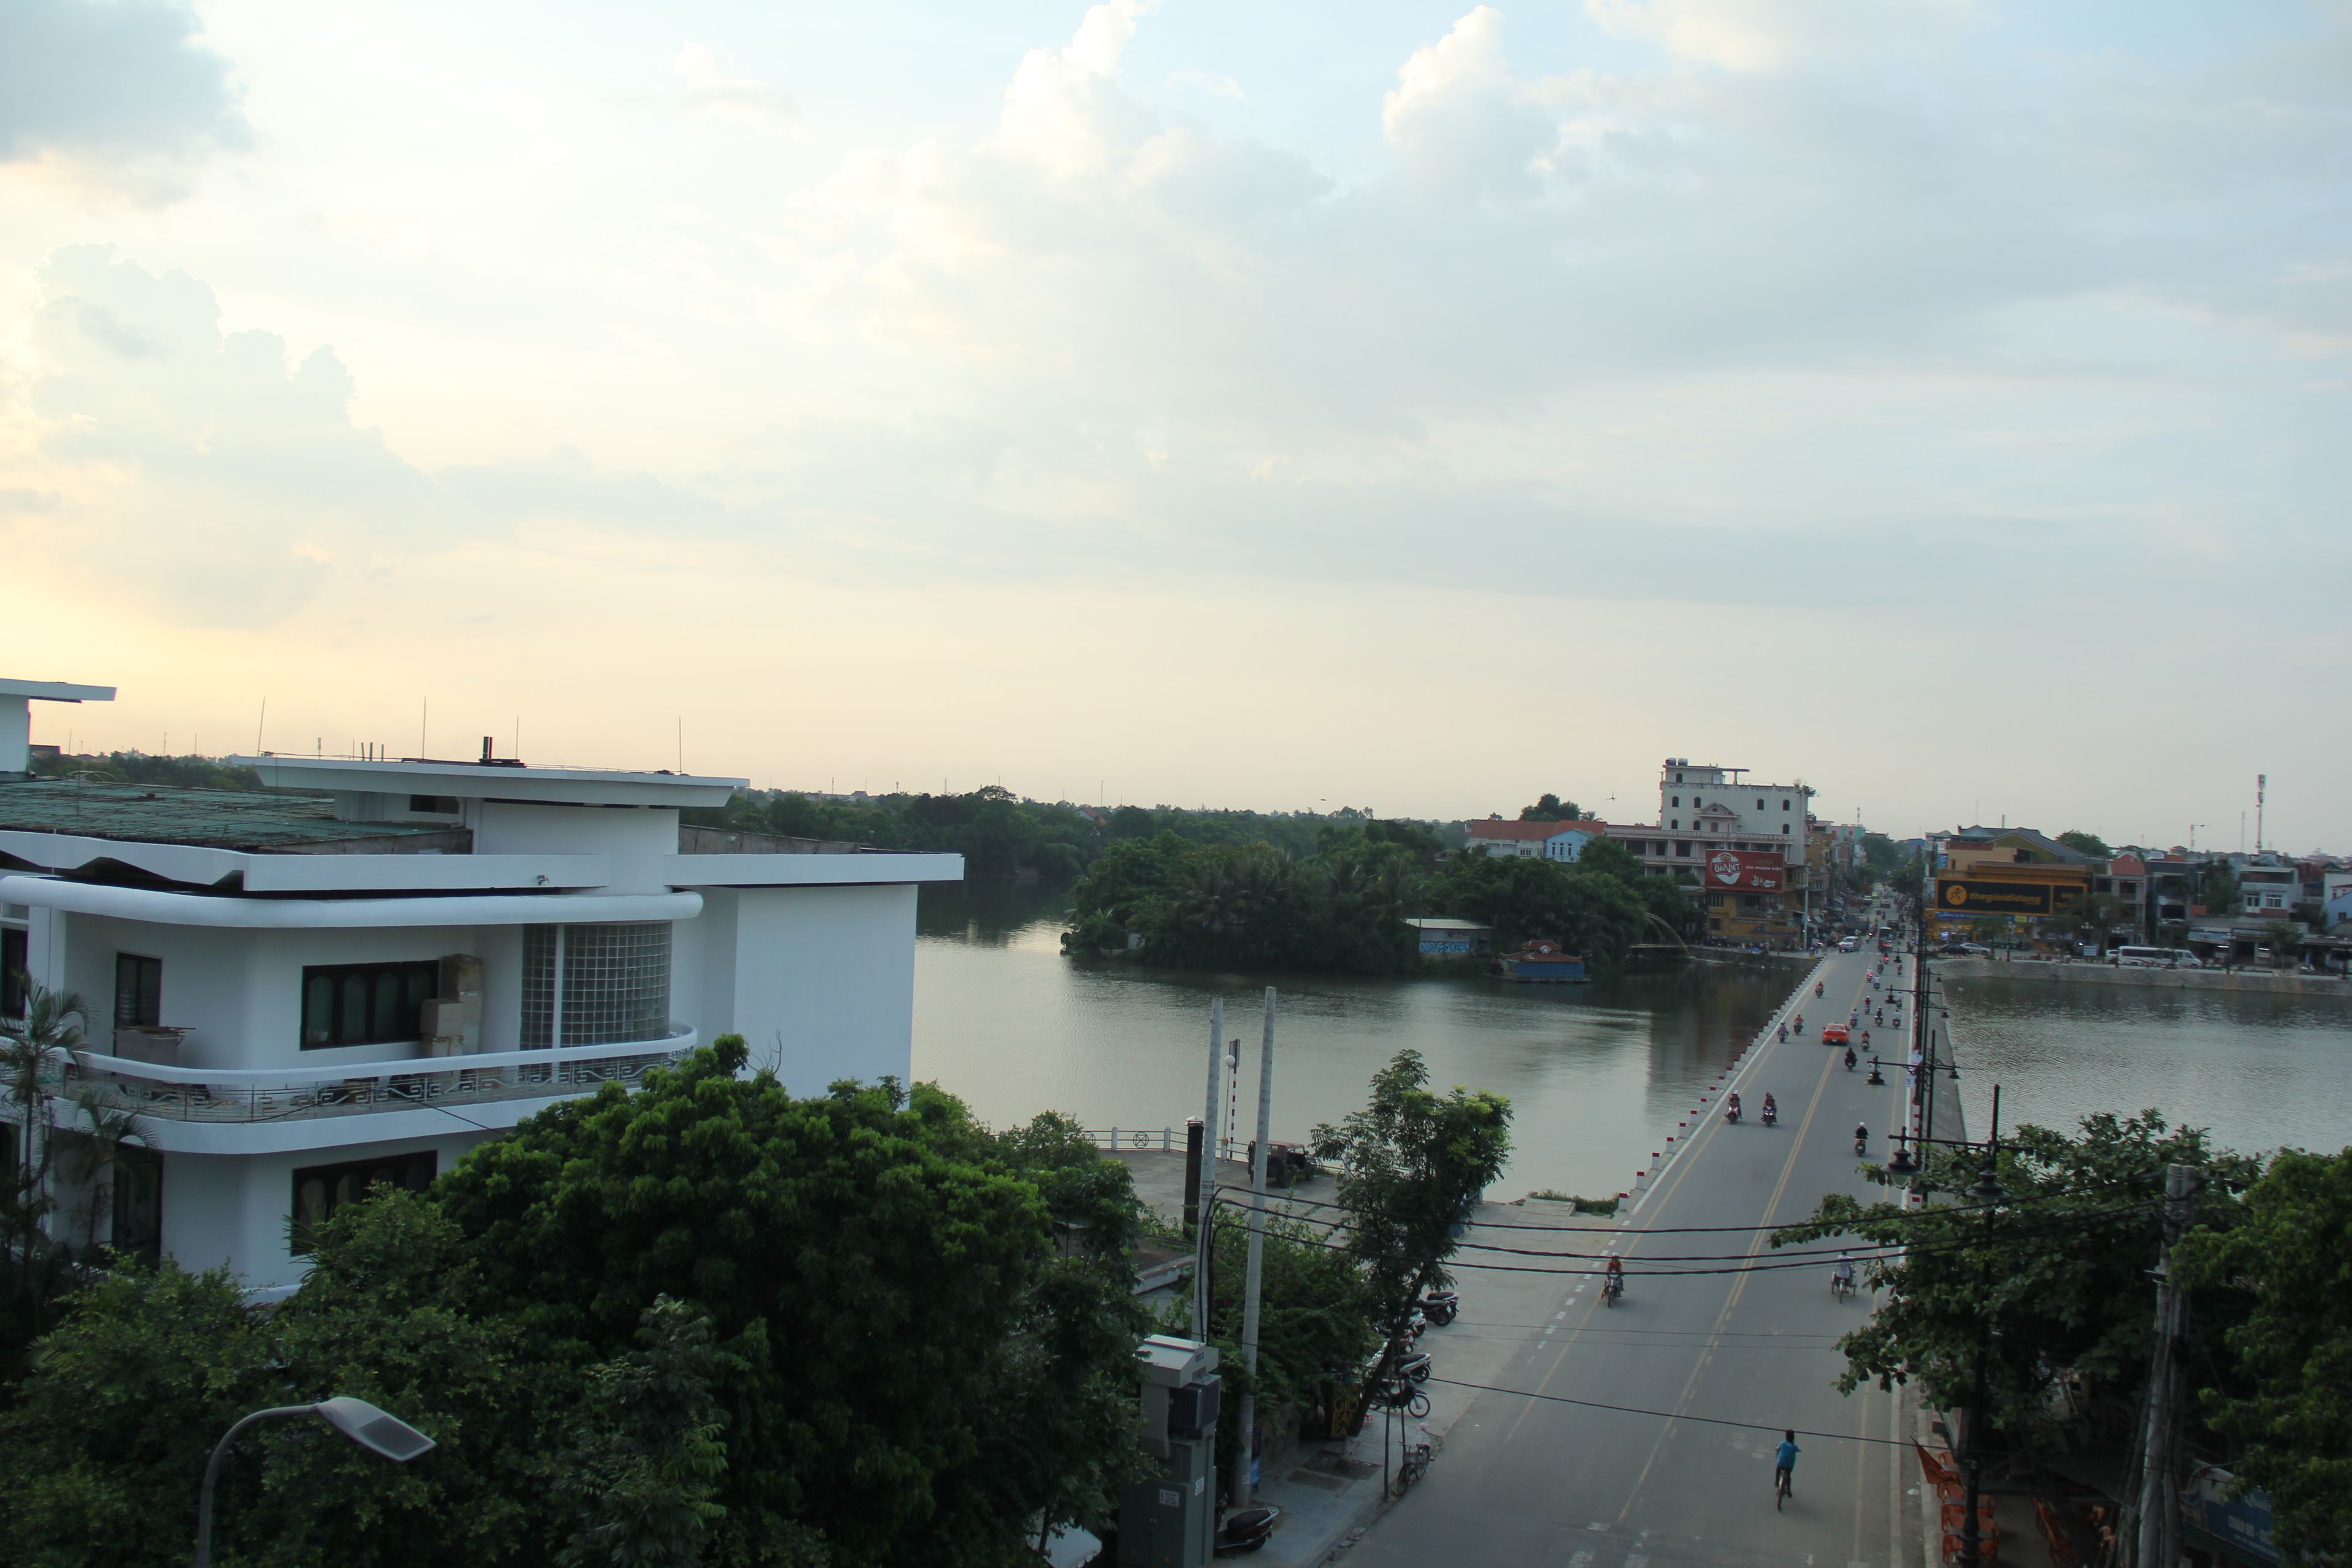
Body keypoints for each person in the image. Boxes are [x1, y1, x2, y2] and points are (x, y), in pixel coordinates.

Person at [1775, 1431, 1800, 1498]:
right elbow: (1797, 1450)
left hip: (1781, 1463)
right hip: (1789, 1465)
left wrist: (1776, 1448)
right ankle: (1788, 1489)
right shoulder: (1794, 1447)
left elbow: (1777, 1449)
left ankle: (1777, 1481)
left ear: (1786, 1436)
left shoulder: (1782, 1444)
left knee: (1778, 1469)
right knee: (1788, 1474)